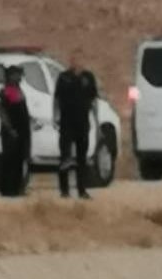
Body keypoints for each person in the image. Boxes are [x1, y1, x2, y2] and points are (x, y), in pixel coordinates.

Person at [53, 51, 99, 199]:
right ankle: (64, 190)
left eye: (79, 59)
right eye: (73, 59)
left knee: (82, 158)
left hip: (82, 122)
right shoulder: (63, 77)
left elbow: (93, 101)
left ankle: (82, 189)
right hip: (67, 122)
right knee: (65, 157)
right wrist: (55, 116)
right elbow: (57, 98)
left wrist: (96, 121)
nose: (76, 61)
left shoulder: (88, 77)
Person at [0, 66, 31, 198]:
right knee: (9, 160)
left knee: (20, 160)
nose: (19, 77)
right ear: (10, 76)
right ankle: (7, 189)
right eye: (17, 75)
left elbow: (21, 109)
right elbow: (2, 112)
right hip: (11, 132)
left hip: (23, 131)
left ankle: (17, 188)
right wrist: (10, 129)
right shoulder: (5, 91)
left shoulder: (18, 90)